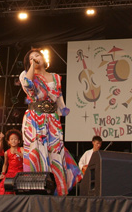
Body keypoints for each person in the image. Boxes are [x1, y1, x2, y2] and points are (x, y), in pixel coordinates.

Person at [19, 48, 82, 196]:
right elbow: (28, 86)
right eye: (31, 58)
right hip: (35, 118)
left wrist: (61, 114)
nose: (35, 58)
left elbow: (59, 99)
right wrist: (32, 67)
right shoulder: (26, 75)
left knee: (55, 152)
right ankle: (35, 188)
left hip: (52, 119)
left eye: (37, 56)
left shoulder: (55, 77)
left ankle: (58, 189)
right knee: (36, 151)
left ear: (43, 58)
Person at [0, 128, 24, 195]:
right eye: (11, 139)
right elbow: (5, 164)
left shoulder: (21, 149)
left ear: (19, 141)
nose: (13, 141)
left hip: (20, 172)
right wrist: (3, 173)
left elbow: (25, 158)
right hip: (10, 173)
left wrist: (18, 153)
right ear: (8, 142)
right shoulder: (6, 152)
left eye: (15, 139)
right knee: (4, 187)